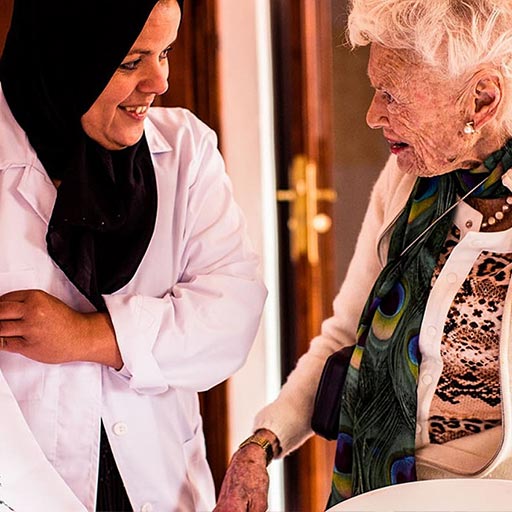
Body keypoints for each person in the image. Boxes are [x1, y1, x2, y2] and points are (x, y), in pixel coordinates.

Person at [214, 0, 512, 510]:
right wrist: (262, 443)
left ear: (481, 99)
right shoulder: (405, 182)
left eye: (391, 95)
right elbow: (346, 334)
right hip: (379, 495)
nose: (372, 115)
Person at [0, 0, 266, 511]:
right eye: (130, 62)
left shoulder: (186, 151)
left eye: (165, 52)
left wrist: (85, 337)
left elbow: (231, 319)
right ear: (66, 56)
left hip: (159, 486)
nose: (160, 81)